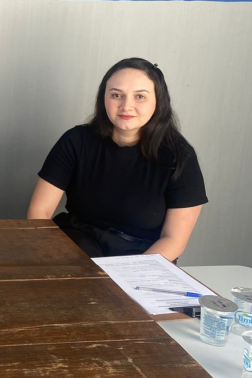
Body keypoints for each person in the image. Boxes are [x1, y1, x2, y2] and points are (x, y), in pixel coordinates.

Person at [27, 58, 207, 260]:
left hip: (143, 260)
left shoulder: (180, 157)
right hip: (76, 247)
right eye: (116, 95)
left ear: (158, 101)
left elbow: (173, 240)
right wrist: (49, 255)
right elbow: (39, 212)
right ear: (103, 99)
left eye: (140, 96)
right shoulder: (77, 140)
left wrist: (129, 276)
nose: (126, 106)